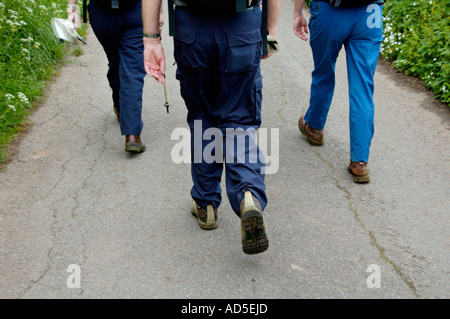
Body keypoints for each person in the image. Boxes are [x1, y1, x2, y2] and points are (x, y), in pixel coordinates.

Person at [142, 0, 279, 254]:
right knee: (239, 118)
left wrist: (151, 40)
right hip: (242, 24)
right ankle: (248, 193)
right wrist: (268, 33)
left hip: (192, 28)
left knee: (201, 115)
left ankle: (206, 205)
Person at [293, 0, 384, 183]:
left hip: (330, 11)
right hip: (370, 13)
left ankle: (314, 127)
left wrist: (297, 13)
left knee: (323, 74)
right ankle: (360, 162)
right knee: (362, 88)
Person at [67, 0, 162, 153]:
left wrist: (72, 7)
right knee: (131, 70)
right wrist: (159, 13)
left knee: (117, 62)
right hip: (135, 12)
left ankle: (123, 114)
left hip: (102, 15)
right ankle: (132, 134)